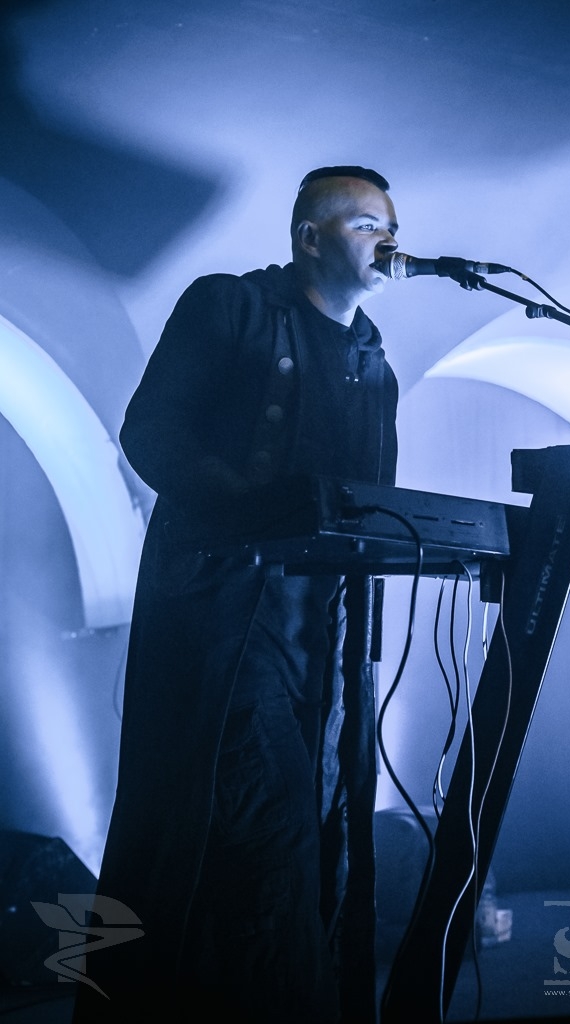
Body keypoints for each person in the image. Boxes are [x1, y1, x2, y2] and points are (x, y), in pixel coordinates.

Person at [72, 166, 400, 1023]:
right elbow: (151, 432)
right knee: (260, 830)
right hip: (224, 619)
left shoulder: (374, 363)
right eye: (366, 224)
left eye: (390, 226)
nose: (388, 240)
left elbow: (374, 508)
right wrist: (256, 507)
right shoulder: (230, 307)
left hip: (320, 640)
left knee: (311, 828)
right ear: (309, 238)